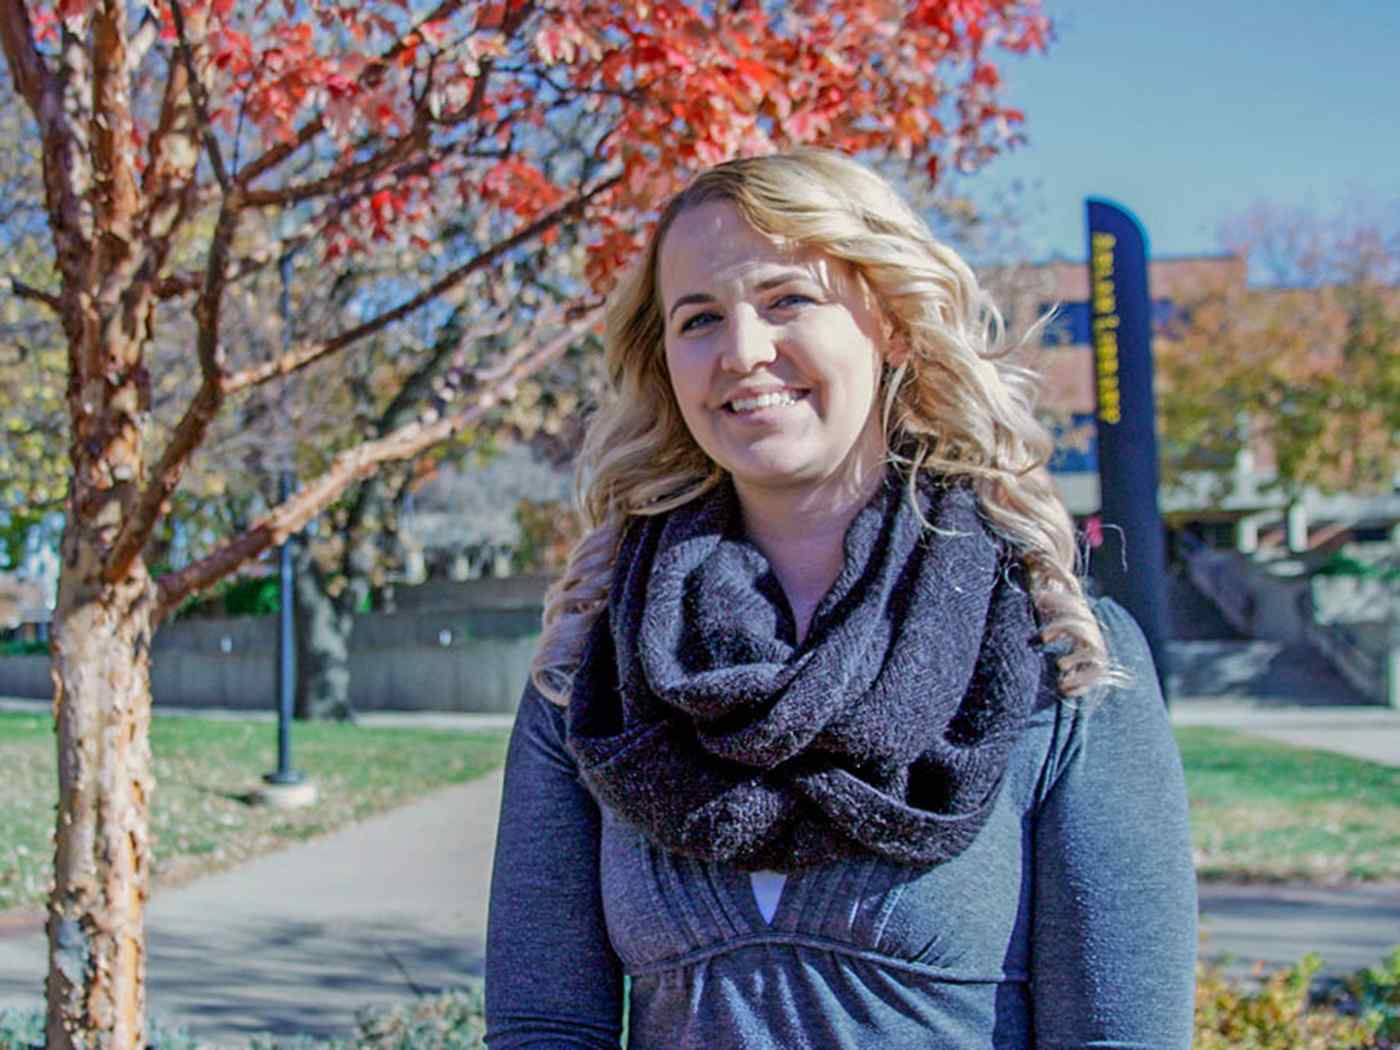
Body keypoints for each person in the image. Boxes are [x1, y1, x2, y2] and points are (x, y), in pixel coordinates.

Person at [483, 149, 1196, 1049]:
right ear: (664, 362)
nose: (743, 351)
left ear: (891, 323)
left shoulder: (1062, 658)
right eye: (699, 319)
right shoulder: (592, 674)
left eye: (788, 300)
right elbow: (543, 1028)